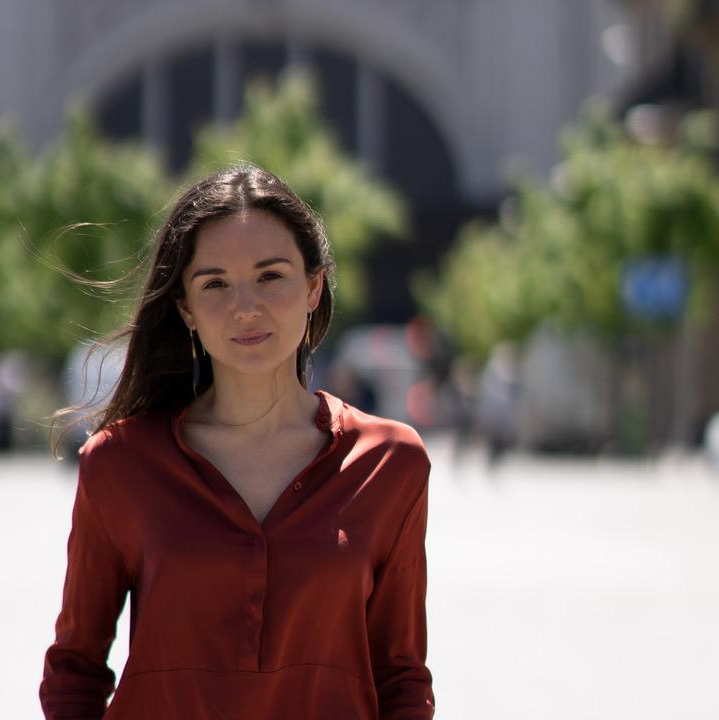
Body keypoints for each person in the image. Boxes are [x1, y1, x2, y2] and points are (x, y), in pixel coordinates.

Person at [40, 165, 435, 719]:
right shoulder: (119, 463)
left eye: (270, 276)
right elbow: (74, 671)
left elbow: (400, 676)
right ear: (186, 310)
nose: (245, 307)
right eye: (215, 284)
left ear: (313, 286)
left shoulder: (390, 463)